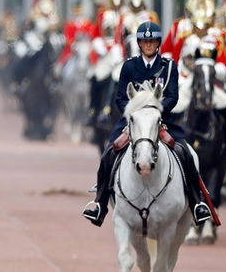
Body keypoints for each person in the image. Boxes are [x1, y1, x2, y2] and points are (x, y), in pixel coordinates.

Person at [82, 21, 214, 227]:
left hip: (162, 119)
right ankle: (100, 204)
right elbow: (120, 98)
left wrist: (156, 110)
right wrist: (135, 111)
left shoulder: (169, 67)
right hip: (133, 120)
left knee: (187, 153)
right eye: (145, 41)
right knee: (109, 152)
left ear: (158, 43)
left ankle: (197, 204)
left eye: (152, 41)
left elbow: (173, 96)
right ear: (140, 44)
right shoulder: (129, 66)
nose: (148, 45)